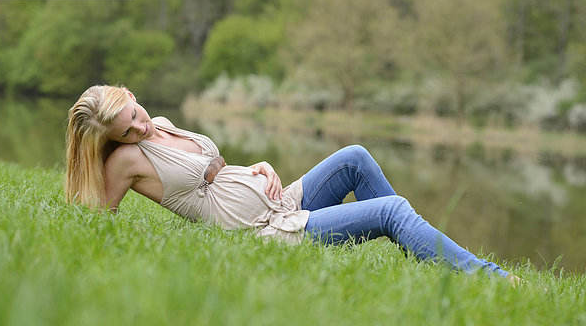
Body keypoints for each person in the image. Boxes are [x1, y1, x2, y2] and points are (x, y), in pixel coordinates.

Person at [65, 85, 521, 285]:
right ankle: (491, 279)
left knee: (355, 158)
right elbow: (97, 220)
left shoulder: (161, 123)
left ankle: (424, 254)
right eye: (127, 131)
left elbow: (215, 171)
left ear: (132, 99)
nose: (140, 129)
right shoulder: (126, 159)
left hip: (277, 200)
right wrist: (145, 242)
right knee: (392, 211)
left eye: (135, 116)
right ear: (113, 139)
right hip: (263, 232)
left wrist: (258, 165)